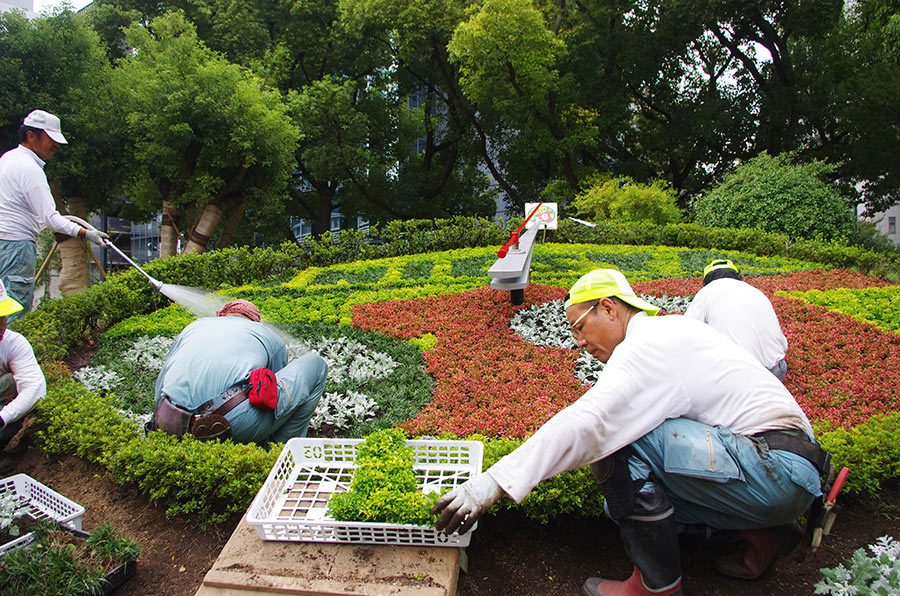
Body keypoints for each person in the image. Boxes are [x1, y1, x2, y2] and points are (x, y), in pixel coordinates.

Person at [433, 269, 826, 596]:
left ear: (609, 308)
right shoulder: (668, 333)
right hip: (789, 473)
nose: (580, 343)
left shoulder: (646, 345)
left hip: (773, 468)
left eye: (580, 327)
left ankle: (655, 586)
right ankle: (766, 532)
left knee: (616, 447)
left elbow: (588, 421)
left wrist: (491, 484)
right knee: (620, 502)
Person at [152, 299, 328, 444]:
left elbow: (161, 384)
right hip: (228, 425)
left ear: (222, 314)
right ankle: (277, 451)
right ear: (254, 321)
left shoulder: (194, 327)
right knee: (316, 365)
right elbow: (269, 393)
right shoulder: (265, 334)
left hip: (169, 423)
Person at [0, 110, 109, 320]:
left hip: (4, 242)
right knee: (13, 314)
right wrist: (88, 234)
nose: (55, 145)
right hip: (16, 246)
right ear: (32, 136)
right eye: (51, 139)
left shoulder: (7, 160)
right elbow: (51, 218)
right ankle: (12, 354)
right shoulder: (29, 169)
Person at [684, 259, 789, 380]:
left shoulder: (707, 291)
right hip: (777, 371)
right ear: (737, 277)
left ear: (706, 280)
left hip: (741, 377)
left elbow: (687, 331)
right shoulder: (756, 292)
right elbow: (783, 344)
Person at [0, 279, 47, 475]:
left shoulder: (13, 343)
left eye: (3, 315)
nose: (3, 323)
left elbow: (36, 388)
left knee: (11, 384)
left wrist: (3, 417)